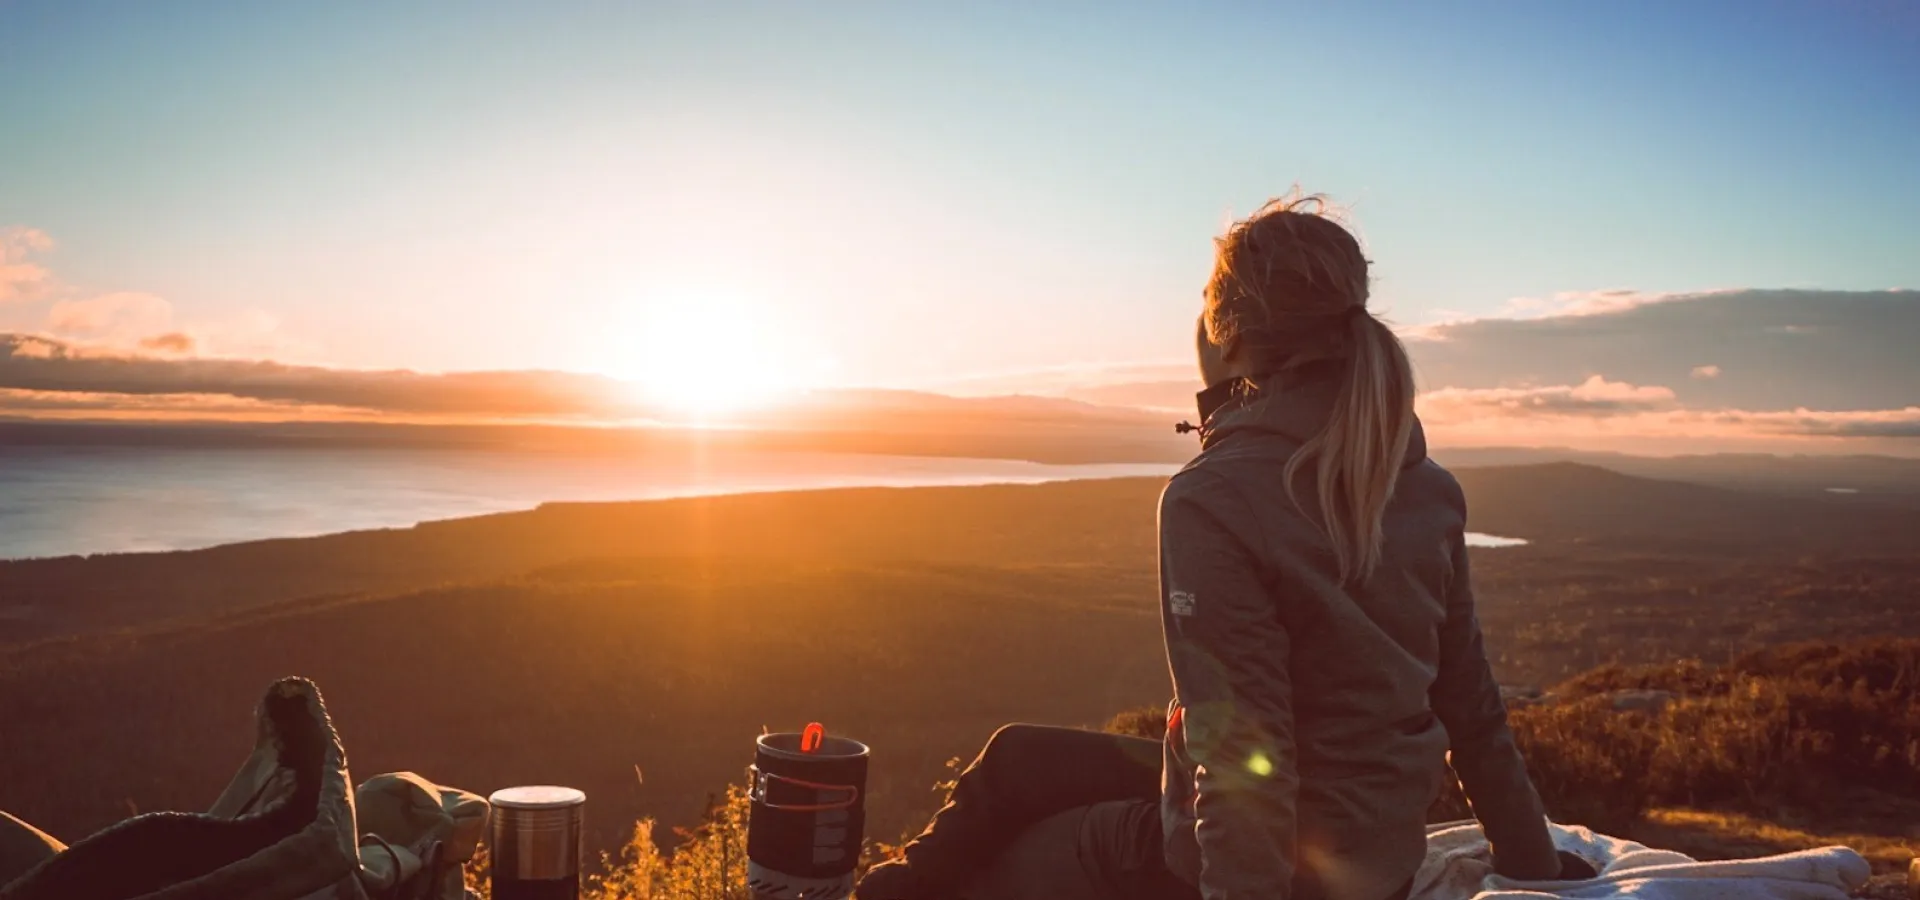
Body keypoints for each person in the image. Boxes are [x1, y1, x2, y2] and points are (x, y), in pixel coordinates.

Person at [856, 194, 1590, 900]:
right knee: (1019, 758)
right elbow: (1471, 702)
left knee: (1022, 857)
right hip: (1369, 845)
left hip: (1288, 867)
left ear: (1226, 331)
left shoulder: (1215, 497)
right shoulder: (1425, 484)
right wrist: (1533, 860)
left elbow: (1246, 759)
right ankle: (894, 886)